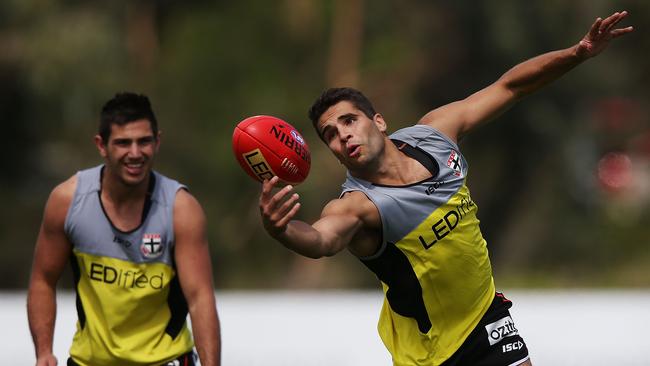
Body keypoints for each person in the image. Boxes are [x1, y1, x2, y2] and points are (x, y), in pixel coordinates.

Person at [259, 11, 632, 366]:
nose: (344, 135)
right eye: (331, 135)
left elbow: (511, 86)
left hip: (486, 316)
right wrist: (282, 230)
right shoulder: (358, 207)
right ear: (334, 154)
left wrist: (578, 52)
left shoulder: (436, 135)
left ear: (379, 120)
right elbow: (321, 241)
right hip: (431, 352)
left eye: (349, 120)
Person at [27, 93, 221, 366]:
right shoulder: (67, 202)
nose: (135, 153)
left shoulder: (181, 209)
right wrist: (44, 353)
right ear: (101, 145)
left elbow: (200, 298)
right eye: (122, 143)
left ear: (157, 141)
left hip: (166, 360)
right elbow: (42, 280)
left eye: (144, 141)